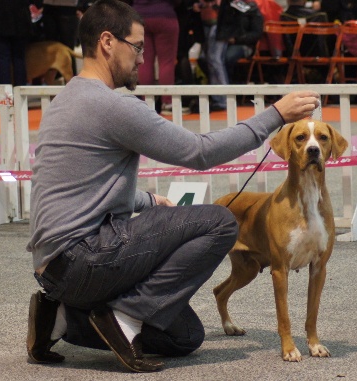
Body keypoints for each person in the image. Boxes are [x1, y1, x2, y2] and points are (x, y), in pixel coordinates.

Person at [26, 0, 320, 373]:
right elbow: (198, 152)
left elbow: (72, 186)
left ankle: (59, 317)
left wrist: (147, 200)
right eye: (137, 47)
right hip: (83, 258)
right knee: (221, 222)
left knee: (183, 337)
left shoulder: (65, 99)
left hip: (54, 268)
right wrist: (276, 115)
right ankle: (125, 318)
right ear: (107, 42)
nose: (141, 58)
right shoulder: (114, 106)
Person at [132, 0, 188, 115]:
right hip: (164, 15)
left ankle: (147, 103)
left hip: (138, 17)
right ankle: (167, 103)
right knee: (166, 62)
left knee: (144, 62)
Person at [0, 0, 34, 86]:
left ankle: (5, 96)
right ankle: (20, 95)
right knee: (19, 58)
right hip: (20, 18)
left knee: (3, 59)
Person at [216, 0, 263, 85]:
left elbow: (257, 33)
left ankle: (230, 87)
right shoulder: (227, 6)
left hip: (244, 44)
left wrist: (237, 39)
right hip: (225, 42)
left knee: (227, 57)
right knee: (207, 58)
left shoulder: (252, 8)